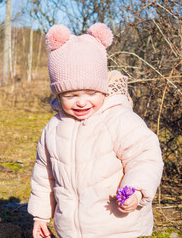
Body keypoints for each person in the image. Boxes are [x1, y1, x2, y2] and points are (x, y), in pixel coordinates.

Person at [28, 23, 164, 238]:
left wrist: (136, 191)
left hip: (118, 227)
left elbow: (145, 158)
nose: (82, 102)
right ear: (58, 95)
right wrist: (41, 216)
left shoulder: (119, 119)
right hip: (70, 230)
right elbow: (44, 176)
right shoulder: (54, 128)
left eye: (91, 92)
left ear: (103, 88)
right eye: (71, 95)